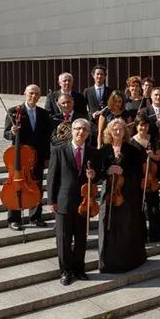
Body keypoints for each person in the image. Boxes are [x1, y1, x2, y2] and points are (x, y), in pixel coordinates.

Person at [46, 118, 100, 285]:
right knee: (63, 239)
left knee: (81, 238)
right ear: (72, 131)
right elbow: (52, 177)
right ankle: (66, 271)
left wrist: (94, 175)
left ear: (88, 134)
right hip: (64, 201)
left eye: (84, 130)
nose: (81, 132)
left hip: (83, 202)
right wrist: (51, 200)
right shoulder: (59, 150)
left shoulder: (92, 152)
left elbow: (97, 176)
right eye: (78, 129)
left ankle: (79, 269)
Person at [97, 118, 147, 273]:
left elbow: (139, 172)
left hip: (127, 192)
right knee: (107, 224)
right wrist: (107, 172)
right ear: (109, 132)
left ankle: (127, 261)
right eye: (115, 129)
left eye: (120, 129)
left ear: (125, 131)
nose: (118, 132)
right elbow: (99, 173)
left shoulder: (132, 150)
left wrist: (123, 171)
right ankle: (108, 262)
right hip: (109, 193)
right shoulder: (104, 150)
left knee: (126, 225)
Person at [3, 84, 52, 231]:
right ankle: (14, 219)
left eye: (37, 94)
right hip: (20, 157)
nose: (34, 96)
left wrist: (47, 157)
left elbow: (46, 137)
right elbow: (6, 133)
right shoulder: (13, 112)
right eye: (31, 93)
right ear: (25, 93)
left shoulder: (44, 114)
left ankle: (35, 217)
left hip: (37, 157)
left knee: (37, 186)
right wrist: (12, 132)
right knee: (16, 186)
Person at [130, 117, 160, 242]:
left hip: (151, 177)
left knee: (154, 207)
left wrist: (152, 155)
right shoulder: (131, 141)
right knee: (140, 207)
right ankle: (142, 235)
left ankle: (155, 234)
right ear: (136, 126)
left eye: (146, 126)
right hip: (138, 178)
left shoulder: (153, 140)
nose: (143, 128)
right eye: (141, 125)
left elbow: (158, 157)